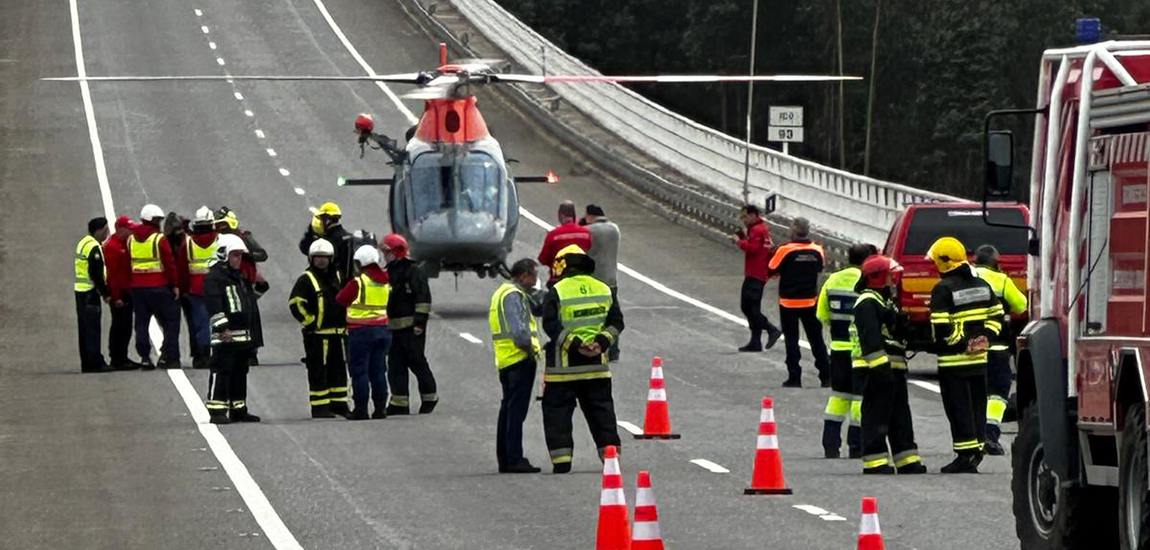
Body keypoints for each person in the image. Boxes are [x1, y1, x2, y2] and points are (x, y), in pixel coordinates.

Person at [541, 245, 625, 473]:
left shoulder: (557, 291)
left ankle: (562, 461)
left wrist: (576, 345)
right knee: (602, 412)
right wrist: (601, 343)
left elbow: (550, 325)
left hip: (563, 371)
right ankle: (610, 457)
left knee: (557, 414)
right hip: (596, 367)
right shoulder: (604, 288)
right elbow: (617, 322)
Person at [927, 236, 1004, 473]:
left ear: (944, 262)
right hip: (979, 360)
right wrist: (985, 339)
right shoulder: (981, 285)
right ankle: (976, 452)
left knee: (958, 408)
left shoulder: (942, 289)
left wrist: (960, 344)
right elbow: (997, 315)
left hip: (953, 362)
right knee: (977, 406)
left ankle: (964, 456)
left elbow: (941, 328)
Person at [852, 255, 926, 475]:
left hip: (894, 367)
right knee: (877, 415)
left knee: (900, 415)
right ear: (877, 278)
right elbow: (871, 338)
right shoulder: (867, 302)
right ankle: (875, 462)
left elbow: (892, 334)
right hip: (877, 369)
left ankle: (906, 460)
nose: (894, 281)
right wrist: (880, 368)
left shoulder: (883, 301)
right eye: (890, 276)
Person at [816, 243, 874, 458]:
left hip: (838, 349)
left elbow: (821, 314)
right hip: (860, 351)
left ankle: (830, 444)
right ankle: (856, 445)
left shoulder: (833, 279)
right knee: (860, 399)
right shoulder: (868, 281)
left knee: (838, 397)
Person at [490, 258, 543, 474]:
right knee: (516, 413)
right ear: (522, 275)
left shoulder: (502, 292)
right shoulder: (513, 295)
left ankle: (506, 458)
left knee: (508, 410)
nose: (536, 279)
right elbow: (520, 331)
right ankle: (514, 458)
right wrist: (530, 350)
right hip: (518, 358)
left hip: (507, 359)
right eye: (533, 275)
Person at [974, 244, 1027, 456]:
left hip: (968, 347)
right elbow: (1021, 305)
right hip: (996, 347)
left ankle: (971, 439)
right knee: (996, 393)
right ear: (996, 262)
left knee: (974, 392)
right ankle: (990, 433)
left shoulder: (966, 277)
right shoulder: (1001, 280)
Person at [288, 239, 350, 419]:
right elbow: (295, 303)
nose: (321, 261)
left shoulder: (338, 276)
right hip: (317, 336)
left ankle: (339, 403)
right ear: (311, 259)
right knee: (318, 370)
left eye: (325, 257)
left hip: (338, 334)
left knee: (338, 369)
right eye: (318, 257)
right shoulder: (306, 279)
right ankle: (320, 407)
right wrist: (311, 322)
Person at [203, 235, 260, 424]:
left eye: (240, 256)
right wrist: (222, 328)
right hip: (225, 337)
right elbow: (214, 304)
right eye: (235, 255)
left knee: (240, 373)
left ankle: (239, 409)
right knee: (221, 371)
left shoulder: (240, 278)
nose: (238, 260)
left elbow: (248, 302)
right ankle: (217, 410)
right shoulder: (215, 278)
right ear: (224, 255)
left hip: (242, 337)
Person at [767, 217, 830, 387]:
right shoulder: (817, 249)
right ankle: (826, 376)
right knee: (817, 340)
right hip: (810, 301)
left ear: (793, 231)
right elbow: (820, 268)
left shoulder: (785, 250)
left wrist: (773, 253)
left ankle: (794, 377)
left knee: (791, 340)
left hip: (789, 302)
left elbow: (771, 268)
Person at [380, 233, 437, 415]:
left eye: (387, 252)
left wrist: (419, 323)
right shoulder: (388, 273)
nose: (384, 256)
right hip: (393, 329)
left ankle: (429, 397)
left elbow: (423, 299)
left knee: (417, 362)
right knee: (396, 365)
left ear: (396, 252)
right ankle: (399, 402)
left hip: (412, 329)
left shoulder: (414, 272)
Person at [336, 245, 392, 420]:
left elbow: (340, 300)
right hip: (383, 330)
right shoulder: (385, 282)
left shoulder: (358, 282)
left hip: (361, 331)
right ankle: (380, 408)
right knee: (378, 371)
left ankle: (361, 409)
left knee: (360, 371)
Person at [130, 204, 182, 370]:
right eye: (158, 220)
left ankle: (145, 357)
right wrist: (175, 285)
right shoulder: (159, 239)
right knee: (171, 322)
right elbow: (169, 264)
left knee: (141, 324)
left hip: (138, 289)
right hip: (159, 287)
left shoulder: (131, 239)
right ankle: (170, 357)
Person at [217, 207, 269, 364]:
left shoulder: (244, 237)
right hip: (225, 279)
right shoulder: (217, 240)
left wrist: (244, 253)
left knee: (250, 313)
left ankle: (252, 350)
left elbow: (262, 254)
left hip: (244, 281)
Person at [731, 204, 782, 352]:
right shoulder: (760, 229)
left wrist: (738, 241)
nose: (743, 219)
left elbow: (752, 248)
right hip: (757, 273)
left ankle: (771, 329)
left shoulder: (758, 230)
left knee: (747, 307)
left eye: (745, 216)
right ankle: (755, 341)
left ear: (753, 215)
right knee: (753, 307)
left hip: (755, 274)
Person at [179, 207, 217, 369]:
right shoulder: (219, 240)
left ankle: (200, 355)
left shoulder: (187, 243)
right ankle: (212, 354)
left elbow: (182, 269)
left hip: (195, 290)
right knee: (218, 322)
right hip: (216, 288)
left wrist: (183, 290)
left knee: (199, 323)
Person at [103, 216, 143, 370]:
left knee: (125, 326)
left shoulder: (125, 243)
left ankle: (122, 356)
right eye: (128, 229)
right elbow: (112, 275)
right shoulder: (112, 247)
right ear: (119, 228)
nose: (130, 232)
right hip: (120, 292)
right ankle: (117, 358)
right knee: (119, 326)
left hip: (127, 289)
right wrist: (116, 297)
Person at [583, 204, 622, 361]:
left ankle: (595, 346)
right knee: (612, 316)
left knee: (595, 316)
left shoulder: (589, 231)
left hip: (595, 281)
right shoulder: (614, 229)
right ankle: (614, 351)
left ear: (591, 216)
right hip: (611, 280)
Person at [76, 217, 112, 373]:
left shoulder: (83, 243)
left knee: (84, 329)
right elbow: (96, 273)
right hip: (90, 293)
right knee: (92, 329)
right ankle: (95, 361)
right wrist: (105, 293)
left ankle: (87, 362)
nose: (107, 233)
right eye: (106, 230)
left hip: (80, 292)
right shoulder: (94, 247)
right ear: (99, 230)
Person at [538, 201, 592, 286]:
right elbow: (588, 250)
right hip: (580, 277)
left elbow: (543, 259)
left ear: (561, 215)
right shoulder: (586, 233)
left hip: (558, 279)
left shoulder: (554, 234)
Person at [299, 202, 354, 281]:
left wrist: (311, 230)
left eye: (322, 219)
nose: (320, 223)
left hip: (331, 283)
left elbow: (305, 248)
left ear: (328, 220)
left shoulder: (327, 242)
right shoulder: (349, 237)